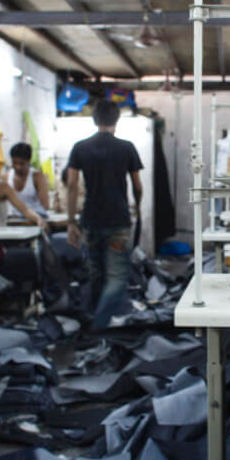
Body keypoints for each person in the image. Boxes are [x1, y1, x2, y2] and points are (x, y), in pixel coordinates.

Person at [66, 99, 143, 328]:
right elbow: (137, 186)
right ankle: (99, 326)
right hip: (118, 220)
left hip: (90, 220)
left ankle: (95, 320)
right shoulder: (126, 147)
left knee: (96, 274)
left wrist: (71, 222)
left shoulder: (80, 147)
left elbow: (71, 185)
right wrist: (138, 207)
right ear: (116, 120)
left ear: (94, 119)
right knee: (117, 278)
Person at [7, 142, 50, 218]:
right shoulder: (7, 176)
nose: (18, 167)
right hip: (13, 219)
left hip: (35, 219)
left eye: (21, 163)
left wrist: (25, 214)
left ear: (29, 161)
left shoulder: (37, 177)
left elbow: (45, 206)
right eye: (14, 163)